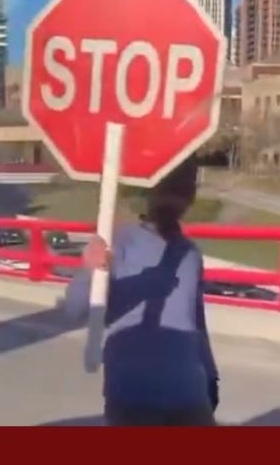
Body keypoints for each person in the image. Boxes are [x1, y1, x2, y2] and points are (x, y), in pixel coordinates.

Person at [64, 156, 219, 426]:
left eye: (185, 187)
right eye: (170, 186)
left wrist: (211, 377)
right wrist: (89, 268)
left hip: (191, 399)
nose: (177, 196)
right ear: (151, 189)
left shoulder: (190, 253)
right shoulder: (118, 242)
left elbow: (197, 325)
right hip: (132, 398)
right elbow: (74, 309)